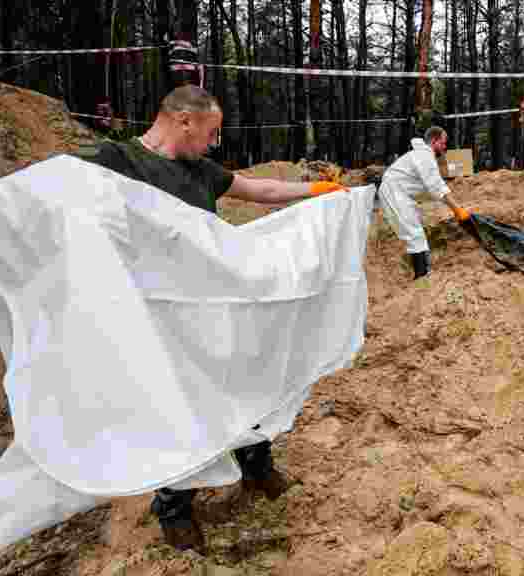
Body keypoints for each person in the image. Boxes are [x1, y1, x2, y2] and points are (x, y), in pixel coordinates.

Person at [76, 84, 346, 552]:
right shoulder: (115, 161)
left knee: (248, 381)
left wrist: (317, 190)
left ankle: (256, 464)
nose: (212, 144)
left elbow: (260, 188)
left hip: (215, 303)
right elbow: (62, 202)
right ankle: (175, 506)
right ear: (185, 121)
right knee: (180, 408)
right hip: (159, 318)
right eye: (211, 133)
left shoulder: (199, 169)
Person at [377, 126, 472, 280]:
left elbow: (431, 189)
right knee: (414, 233)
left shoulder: (423, 156)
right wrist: (457, 209)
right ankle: (421, 275)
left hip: (400, 193)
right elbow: (436, 186)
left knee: (416, 231)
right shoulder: (424, 157)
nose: (445, 146)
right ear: (434, 141)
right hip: (395, 193)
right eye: (443, 142)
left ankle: (423, 272)